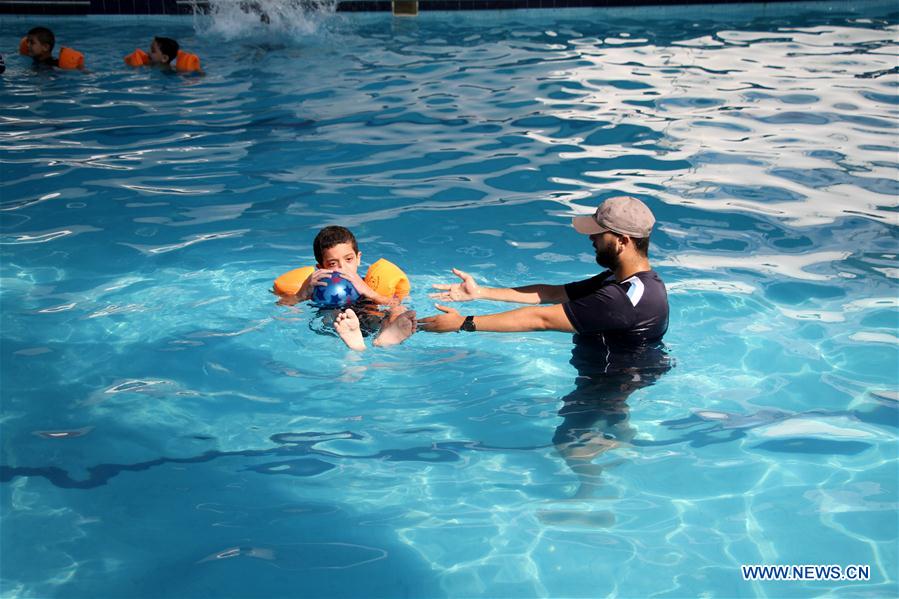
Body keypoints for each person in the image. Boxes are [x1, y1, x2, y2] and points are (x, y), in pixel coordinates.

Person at [421, 195, 672, 499]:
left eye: (598, 233)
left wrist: (464, 323)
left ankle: (592, 496)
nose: (591, 238)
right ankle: (629, 449)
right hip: (629, 370)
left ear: (621, 241)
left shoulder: (621, 298)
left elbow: (540, 319)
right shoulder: (626, 281)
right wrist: (481, 292)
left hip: (611, 378)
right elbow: (552, 293)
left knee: (569, 442)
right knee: (613, 416)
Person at [293, 226, 416, 352]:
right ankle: (358, 340)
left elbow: (395, 302)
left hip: (371, 318)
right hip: (340, 324)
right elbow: (285, 311)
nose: (343, 267)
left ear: (358, 258)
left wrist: (370, 293)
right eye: (333, 264)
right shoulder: (318, 289)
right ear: (321, 268)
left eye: (348, 259)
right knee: (332, 314)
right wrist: (301, 295)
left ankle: (385, 338)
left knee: (399, 310)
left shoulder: (367, 284)